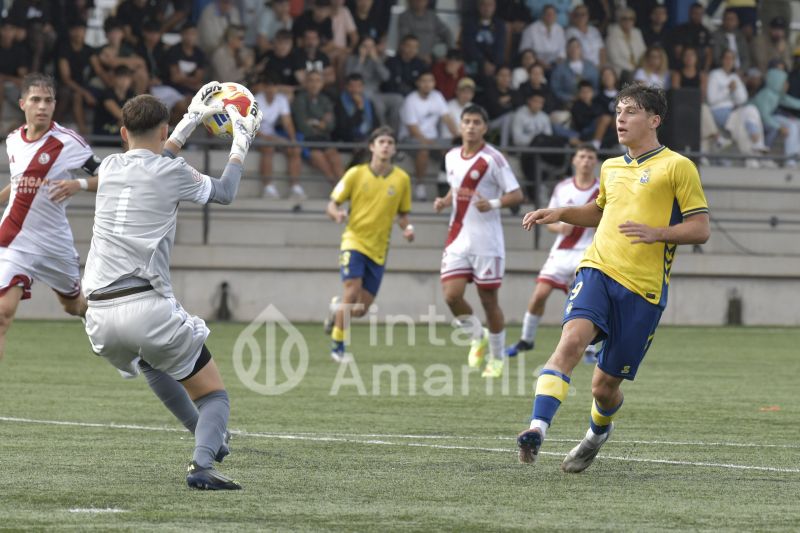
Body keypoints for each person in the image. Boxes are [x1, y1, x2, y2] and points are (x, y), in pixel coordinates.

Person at [516, 84, 710, 472]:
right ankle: (536, 429)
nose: (620, 119)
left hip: (643, 290)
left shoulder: (677, 166)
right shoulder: (611, 166)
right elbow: (601, 210)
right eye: (619, 111)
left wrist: (659, 233)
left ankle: (597, 433)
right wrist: (562, 212)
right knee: (570, 342)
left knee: (604, 389)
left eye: (631, 112)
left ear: (654, 120)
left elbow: (700, 229)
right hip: (598, 269)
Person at [82, 85, 261, 490]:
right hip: (146, 306)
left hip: (98, 314)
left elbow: (154, 156)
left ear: (123, 131)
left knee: (151, 362)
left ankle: (208, 437)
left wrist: (191, 120)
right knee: (215, 396)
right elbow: (226, 192)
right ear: (162, 132)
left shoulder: (108, 166)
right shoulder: (173, 172)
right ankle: (202, 463)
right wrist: (241, 141)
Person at [0, 73, 101, 361]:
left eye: (48, 100)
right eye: (35, 100)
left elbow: (109, 177)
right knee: (2, 315)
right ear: (22, 104)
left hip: (53, 242)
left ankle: (105, 333)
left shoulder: (69, 142)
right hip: (14, 238)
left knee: (73, 306)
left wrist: (77, 184)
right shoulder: (12, 142)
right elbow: (20, 181)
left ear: (55, 105)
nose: (42, 106)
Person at [435, 104, 523, 378]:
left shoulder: (494, 159)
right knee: (451, 296)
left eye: (476, 122)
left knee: (488, 301)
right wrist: (445, 201)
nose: (471, 126)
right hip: (458, 237)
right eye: (467, 121)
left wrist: (494, 203)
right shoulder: (450, 156)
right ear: (460, 126)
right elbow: (456, 187)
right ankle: (477, 336)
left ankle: (497, 358)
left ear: (484, 128)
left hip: (487, 241)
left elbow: (517, 194)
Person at [325, 126, 414, 362]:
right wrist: (337, 215)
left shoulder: (402, 179)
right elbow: (332, 205)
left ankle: (336, 312)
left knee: (361, 309)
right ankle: (338, 346)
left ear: (394, 149)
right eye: (381, 142)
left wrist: (408, 229)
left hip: (379, 248)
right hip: (353, 240)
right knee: (351, 291)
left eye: (390, 142)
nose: (386, 146)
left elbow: (402, 215)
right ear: (372, 147)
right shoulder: (355, 173)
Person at [506, 144, 600, 362]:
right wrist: (560, 227)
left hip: (587, 253)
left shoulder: (602, 189)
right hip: (561, 252)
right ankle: (526, 339)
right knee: (539, 295)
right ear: (574, 161)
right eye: (582, 156)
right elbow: (549, 222)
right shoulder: (563, 187)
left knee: (587, 302)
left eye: (590, 157)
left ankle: (590, 349)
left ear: (595, 162)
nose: (585, 161)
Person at [254, 72, 303, 200]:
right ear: (263, 87)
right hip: (254, 136)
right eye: (268, 86)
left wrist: (292, 140)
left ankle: (295, 188)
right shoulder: (255, 100)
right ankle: (268, 188)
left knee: (295, 149)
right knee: (268, 148)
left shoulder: (281, 99)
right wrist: (269, 138)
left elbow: (288, 122)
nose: (271, 89)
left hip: (272, 135)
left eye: (273, 86)